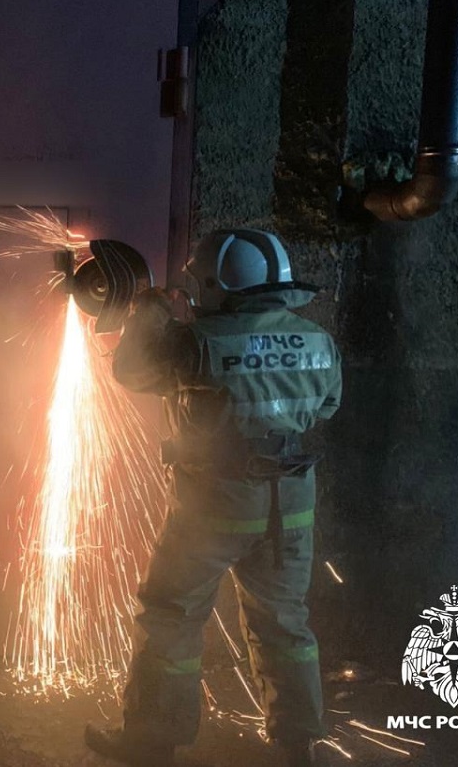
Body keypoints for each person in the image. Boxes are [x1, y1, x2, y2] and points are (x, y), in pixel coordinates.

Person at [84, 229, 342, 767]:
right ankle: (302, 745)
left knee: (172, 613)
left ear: (218, 284)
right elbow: (325, 408)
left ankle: (153, 741)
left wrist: (151, 308)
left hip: (215, 505)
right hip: (291, 505)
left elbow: (131, 370)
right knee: (284, 621)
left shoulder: (195, 342)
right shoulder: (317, 340)